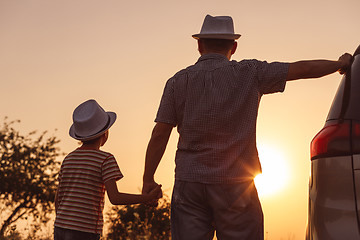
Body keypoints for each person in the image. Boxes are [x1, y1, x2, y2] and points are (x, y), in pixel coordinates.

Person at [141, 15, 353, 240]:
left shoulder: (177, 81)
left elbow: (160, 133)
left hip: (189, 182)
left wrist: (148, 180)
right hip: (236, 185)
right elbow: (301, 69)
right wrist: (339, 64)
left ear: (199, 45)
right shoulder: (250, 72)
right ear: (234, 46)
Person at [54, 99, 162, 240]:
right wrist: (146, 198)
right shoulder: (105, 159)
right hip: (85, 231)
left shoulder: (68, 159)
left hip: (60, 227)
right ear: (105, 133)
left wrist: (65, 221)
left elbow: (58, 199)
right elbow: (115, 198)